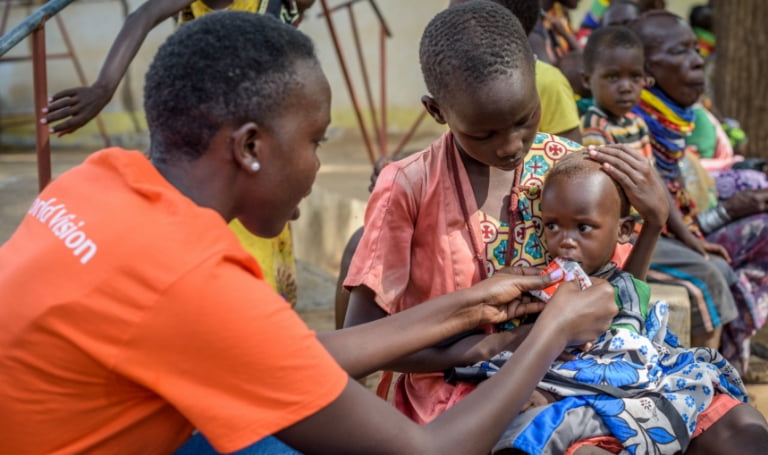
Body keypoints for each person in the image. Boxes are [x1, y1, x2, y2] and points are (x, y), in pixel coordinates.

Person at [0, 11, 622, 455]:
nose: (322, 164)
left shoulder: (99, 181)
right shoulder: (191, 282)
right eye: (316, 140)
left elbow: (286, 354)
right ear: (250, 147)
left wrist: (468, 306)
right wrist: (553, 330)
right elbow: (424, 450)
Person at [344, 0, 666, 426]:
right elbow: (361, 342)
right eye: (484, 133)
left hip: (571, 374)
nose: (511, 145)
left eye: (524, 119)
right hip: (450, 389)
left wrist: (654, 223)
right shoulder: (410, 186)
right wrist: (497, 347)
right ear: (437, 111)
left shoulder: (571, 167)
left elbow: (616, 294)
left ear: (537, 81)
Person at [43, 0, 315, 307]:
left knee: (254, 267)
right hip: (206, 147)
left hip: (256, 146)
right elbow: (144, 14)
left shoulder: (272, 11)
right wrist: (104, 87)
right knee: (206, 253)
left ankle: (257, 327)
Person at [483, 152, 750, 454]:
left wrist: (551, 392)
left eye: (582, 228)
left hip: (618, 389)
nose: (565, 241)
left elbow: (623, 359)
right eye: (552, 226)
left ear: (623, 230)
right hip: (570, 398)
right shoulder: (540, 281)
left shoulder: (623, 289)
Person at [630, 11, 768, 374]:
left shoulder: (673, 123)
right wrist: (721, 215)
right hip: (649, 237)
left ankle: (733, 357)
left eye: (695, 49)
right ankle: (721, 368)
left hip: (680, 231)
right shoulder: (628, 124)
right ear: (646, 69)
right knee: (718, 269)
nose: (697, 60)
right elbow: (653, 207)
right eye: (681, 52)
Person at [580, 26, 651, 158]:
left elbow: (649, 168)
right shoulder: (594, 127)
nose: (626, 87)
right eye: (613, 77)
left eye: (635, 76)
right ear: (587, 80)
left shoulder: (638, 123)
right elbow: (604, 175)